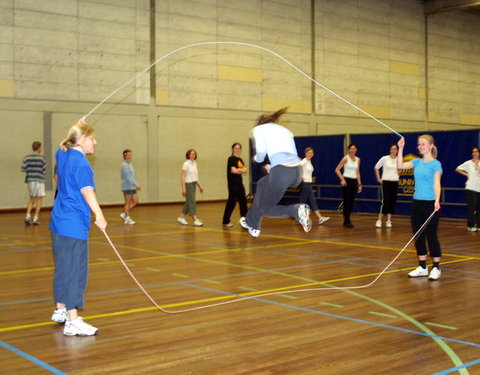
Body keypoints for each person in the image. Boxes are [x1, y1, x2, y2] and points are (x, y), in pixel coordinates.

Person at [49, 121, 107, 336]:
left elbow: (62, 144)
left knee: (63, 267)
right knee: (75, 271)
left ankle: (60, 309)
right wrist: (99, 215)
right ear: (82, 141)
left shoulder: (62, 155)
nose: (95, 142)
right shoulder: (82, 164)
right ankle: (72, 321)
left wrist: (75, 126)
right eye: (92, 138)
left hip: (58, 222)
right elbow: (87, 191)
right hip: (73, 225)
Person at [239, 107, 311, 237]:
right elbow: (287, 156)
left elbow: (261, 154)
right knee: (261, 183)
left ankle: (295, 210)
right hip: (296, 172)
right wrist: (272, 168)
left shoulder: (259, 129)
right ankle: (252, 223)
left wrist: (255, 158)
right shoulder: (285, 130)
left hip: (282, 174)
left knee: (266, 208)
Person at [397, 135, 442, 280]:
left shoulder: (436, 164)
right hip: (417, 202)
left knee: (431, 235)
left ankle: (436, 267)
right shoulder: (416, 162)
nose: (420, 147)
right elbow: (399, 166)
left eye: (423, 144)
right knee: (418, 235)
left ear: (430, 146)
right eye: (419, 144)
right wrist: (401, 148)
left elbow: (437, 183)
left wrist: (437, 200)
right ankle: (422, 266)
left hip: (430, 203)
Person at [299, 147, 329, 225]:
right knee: (305, 202)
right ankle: (300, 217)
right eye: (308, 152)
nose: (310, 154)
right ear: (305, 153)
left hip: (308, 183)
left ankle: (319, 218)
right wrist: (300, 177)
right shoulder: (304, 161)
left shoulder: (309, 161)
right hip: (305, 184)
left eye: (311, 152)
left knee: (309, 201)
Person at [335, 143, 362, 228]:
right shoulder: (345, 158)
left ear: (356, 150)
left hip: (354, 181)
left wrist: (359, 184)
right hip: (347, 181)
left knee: (351, 201)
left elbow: (357, 172)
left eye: (354, 148)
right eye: (351, 148)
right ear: (349, 150)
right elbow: (337, 169)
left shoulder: (358, 159)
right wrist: (342, 179)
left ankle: (348, 218)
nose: (353, 150)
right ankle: (346, 220)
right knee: (346, 201)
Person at [222, 143, 248, 227]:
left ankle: (245, 220)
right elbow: (234, 171)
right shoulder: (231, 159)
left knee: (243, 202)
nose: (237, 149)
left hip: (240, 183)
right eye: (236, 148)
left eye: (239, 148)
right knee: (232, 202)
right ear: (233, 149)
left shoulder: (240, 159)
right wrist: (240, 170)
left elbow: (245, 170)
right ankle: (226, 221)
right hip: (232, 184)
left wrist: (239, 170)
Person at [374, 144, 400, 228]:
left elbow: (400, 170)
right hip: (386, 182)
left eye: (395, 149)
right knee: (385, 200)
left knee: (392, 201)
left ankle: (389, 220)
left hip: (394, 182)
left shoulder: (399, 160)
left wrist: (397, 176)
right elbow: (376, 167)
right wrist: (379, 179)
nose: (393, 150)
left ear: (397, 151)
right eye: (391, 149)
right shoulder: (384, 158)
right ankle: (379, 220)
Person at [21, 141, 46, 224]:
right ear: (39, 148)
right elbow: (44, 170)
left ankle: (27, 217)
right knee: (39, 199)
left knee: (32, 198)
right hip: (39, 180)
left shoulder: (27, 158)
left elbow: (23, 169)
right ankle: (35, 218)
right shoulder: (42, 158)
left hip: (30, 180)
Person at [455, 147, 480, 232]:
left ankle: (479, 225)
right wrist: (466, 174)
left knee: (479, 208)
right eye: (473, 152)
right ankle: (471, 225)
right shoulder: (468, 163)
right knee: (471, 208)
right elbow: (458, 169)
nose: (475, 153)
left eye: (476, 152)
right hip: (471, 188)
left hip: (479, 188)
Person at [177, 149, 204, 226]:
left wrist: (200, 185)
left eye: (194, 154)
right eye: (191, 154)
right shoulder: (186, 164)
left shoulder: (194, 163)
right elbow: (183, 176)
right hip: (188, 184)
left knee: (189, 201)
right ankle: (195, 219)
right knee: (192, 202)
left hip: (193, 184)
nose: (193, 155)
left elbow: (195, 177)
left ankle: (181, 217)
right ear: (188, 155)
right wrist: (183, 187)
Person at [120, 149, 140, 225]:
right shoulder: (124, 165)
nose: (130, 156)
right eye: (129, 154)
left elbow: (132, 176)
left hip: (132, 186)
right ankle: (127, 218)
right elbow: (128, 177)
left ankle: (124, 213)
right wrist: (136, 185)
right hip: (127, 187)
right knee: (128, 202)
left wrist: (135, 184)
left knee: (136, 201)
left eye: (131, 154)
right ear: (125, 156)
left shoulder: (130, 164)